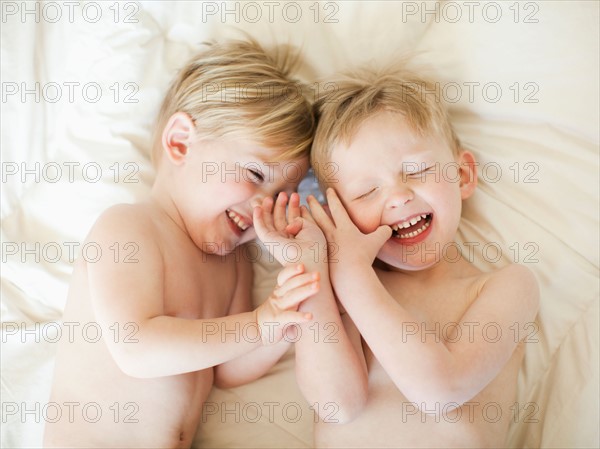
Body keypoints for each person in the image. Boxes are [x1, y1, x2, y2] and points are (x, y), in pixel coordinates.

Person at [43, 39, 364, 449]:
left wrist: (283, 322)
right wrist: (258, 323)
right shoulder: (129, 229)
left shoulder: (234, 264)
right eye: (254, 172)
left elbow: (227, 369)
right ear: (180, 142)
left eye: (285, 190)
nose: (265, 204)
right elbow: (136, 347)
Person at [303, 67, 540, 448]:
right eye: (366, 192)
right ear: (339, 218)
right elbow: (335, 405)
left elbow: (440, 391)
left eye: (417, 170)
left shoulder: (506, 287)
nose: (397, 196)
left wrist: (352, 276)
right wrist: (314, 265)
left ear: (462, 175)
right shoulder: (343, 290)